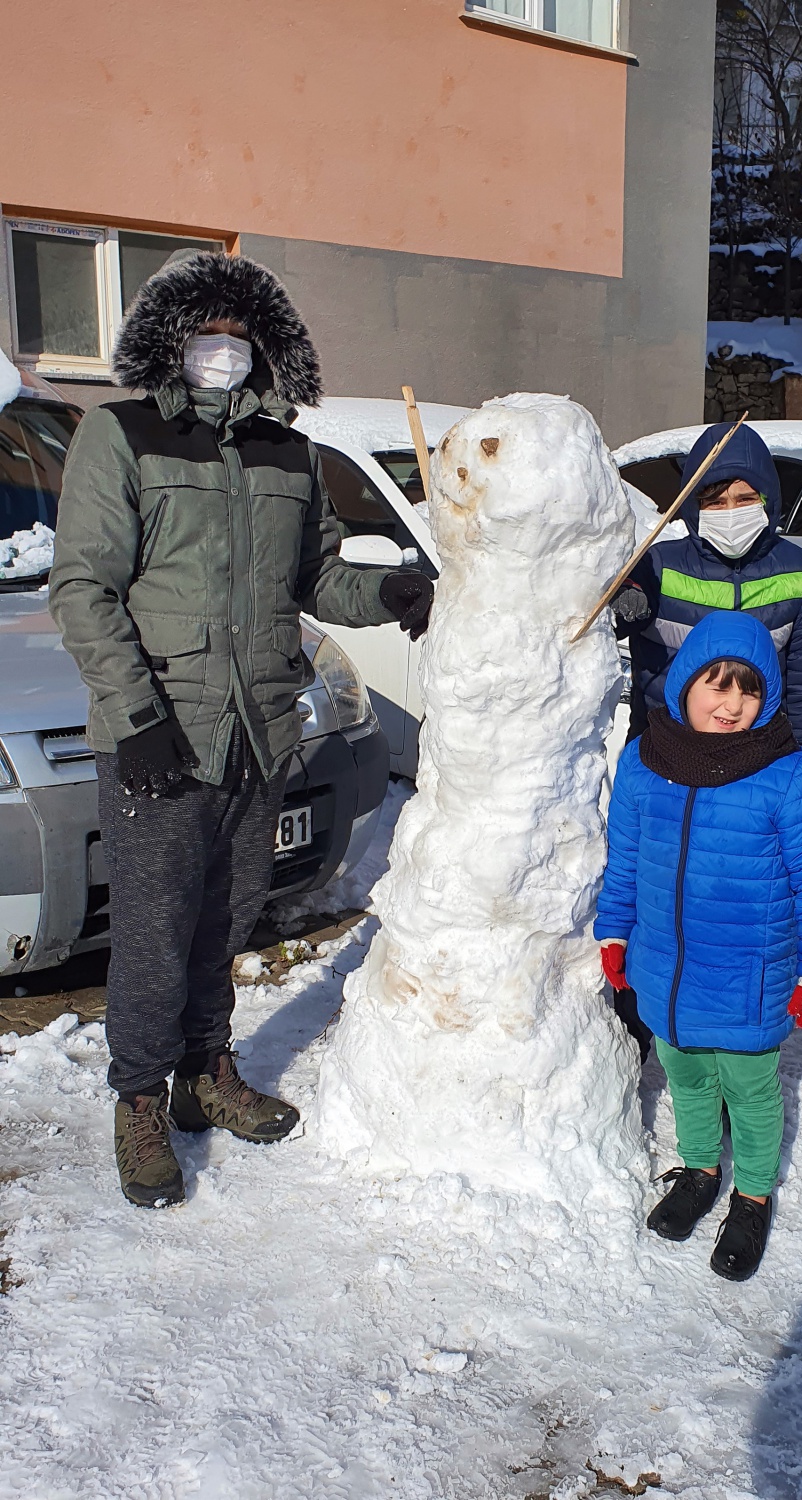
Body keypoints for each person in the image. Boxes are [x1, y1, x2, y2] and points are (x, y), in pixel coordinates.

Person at [49, 251, 433, 1210]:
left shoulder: (291, 454)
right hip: (160, 734)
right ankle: (138, 1096)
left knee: (227, 916)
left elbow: (317, 583)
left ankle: (203, 1072)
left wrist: (385, 592)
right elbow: (84, 589)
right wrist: (136, 718)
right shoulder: (123, 434)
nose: (222, 348)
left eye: (238, 330)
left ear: (263, 341)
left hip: (260, 729)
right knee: (152, 929)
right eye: (204, 329)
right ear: (172, 339)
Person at [594, 611, 802, 1280]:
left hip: (749, 971)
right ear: (685, 684)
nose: (733, 703)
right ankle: (702, 1171)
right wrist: (615, 930)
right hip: (667, 967)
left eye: (748, 690)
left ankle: (752, 1196)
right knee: (683, 1072)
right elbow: (623, 858)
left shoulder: (789, 774)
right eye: (718, 685)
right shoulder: (644, 762)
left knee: (748, 1085)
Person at [608, 421, 802, 1066]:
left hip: (753, 762)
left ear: (766, 499)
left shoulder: (797, 572)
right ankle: (644, 1024)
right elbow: (597, 618)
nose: (731, 512)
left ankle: (742, 1029)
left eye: (745, 498)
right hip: (667, 759)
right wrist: (620, 603)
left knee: (740, 897)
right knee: (662, 887)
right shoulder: (659, 563)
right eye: (715, 499)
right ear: (692, 505)